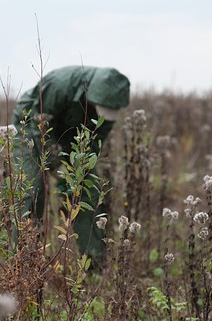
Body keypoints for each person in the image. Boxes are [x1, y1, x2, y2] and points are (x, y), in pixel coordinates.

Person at [12, 65, 130, 264]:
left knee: (87, 190)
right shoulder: (59, 85)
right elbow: (39, 127)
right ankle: (25, 261)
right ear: (93, 95)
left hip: (74, 132)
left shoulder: (109, 102)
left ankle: (94, 261)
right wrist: (57, 164)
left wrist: (79, 173)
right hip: (31, 126)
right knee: (33, 190)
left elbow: (94, 140)